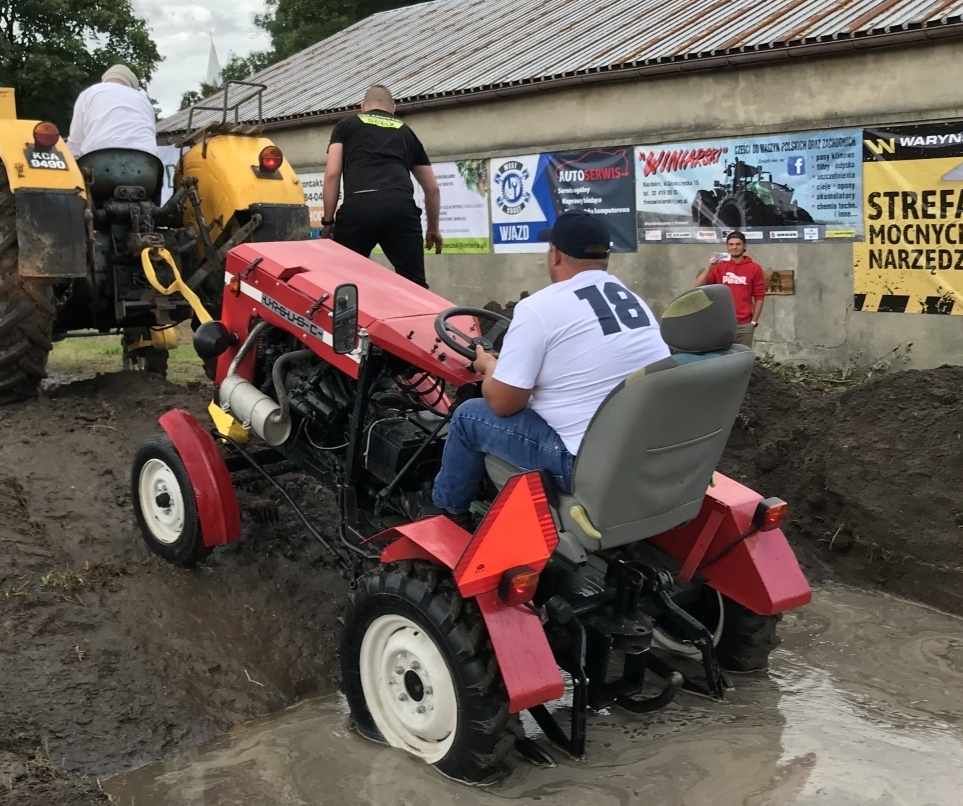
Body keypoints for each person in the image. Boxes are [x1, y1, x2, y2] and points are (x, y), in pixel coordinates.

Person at [430, 211, 671, 522]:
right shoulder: (633, 301)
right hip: (643, 454)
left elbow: (503, 404)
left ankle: (448, 513)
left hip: (581, 464)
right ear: (605, 256)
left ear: (555, 254)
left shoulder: (538, 308)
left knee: (468, 417)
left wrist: (489, 366)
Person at [320, 84, 442, 288]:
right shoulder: (406, 131)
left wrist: (328, 221)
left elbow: (332, 174)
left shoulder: (345, 126)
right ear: (393, 109)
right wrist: (433, 229)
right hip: (400, 208)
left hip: (359, 206)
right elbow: (432, 188)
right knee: (414, 286)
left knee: (343, 285)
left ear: (362, 107)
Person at [67, 63, 159, 158]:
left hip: (99, 156)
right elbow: (150, 135)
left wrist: (73, 160)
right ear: (131, 85)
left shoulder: (90, 93)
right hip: (146, 158)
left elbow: (76, 141)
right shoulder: (144, 100)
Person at [697, 232, 766, 348]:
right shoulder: (719, 266)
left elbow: (759, 296)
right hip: (722, 323)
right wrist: (709, 268)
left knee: (743, 357)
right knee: (722, 356)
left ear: (744, 246)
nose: (734, 247)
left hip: (744, 325)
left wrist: (753, 322)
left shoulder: (755, 268)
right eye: (731, 244)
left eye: (738, 244)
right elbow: (698, 286)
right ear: (727, 246)